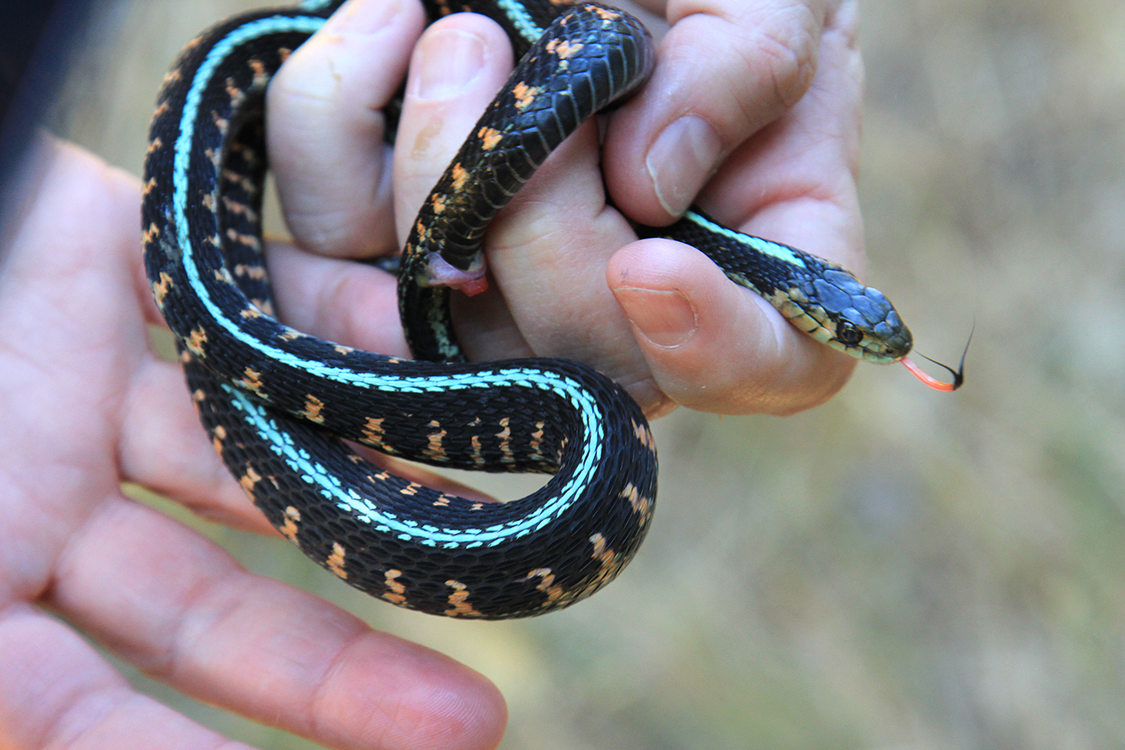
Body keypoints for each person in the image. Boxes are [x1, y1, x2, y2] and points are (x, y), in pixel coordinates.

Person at [0, 0, 865, 746]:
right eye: (850, 327)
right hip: (242, 93)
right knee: (236, 319)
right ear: (810, 299)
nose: (858, 341)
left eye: (852, 332)